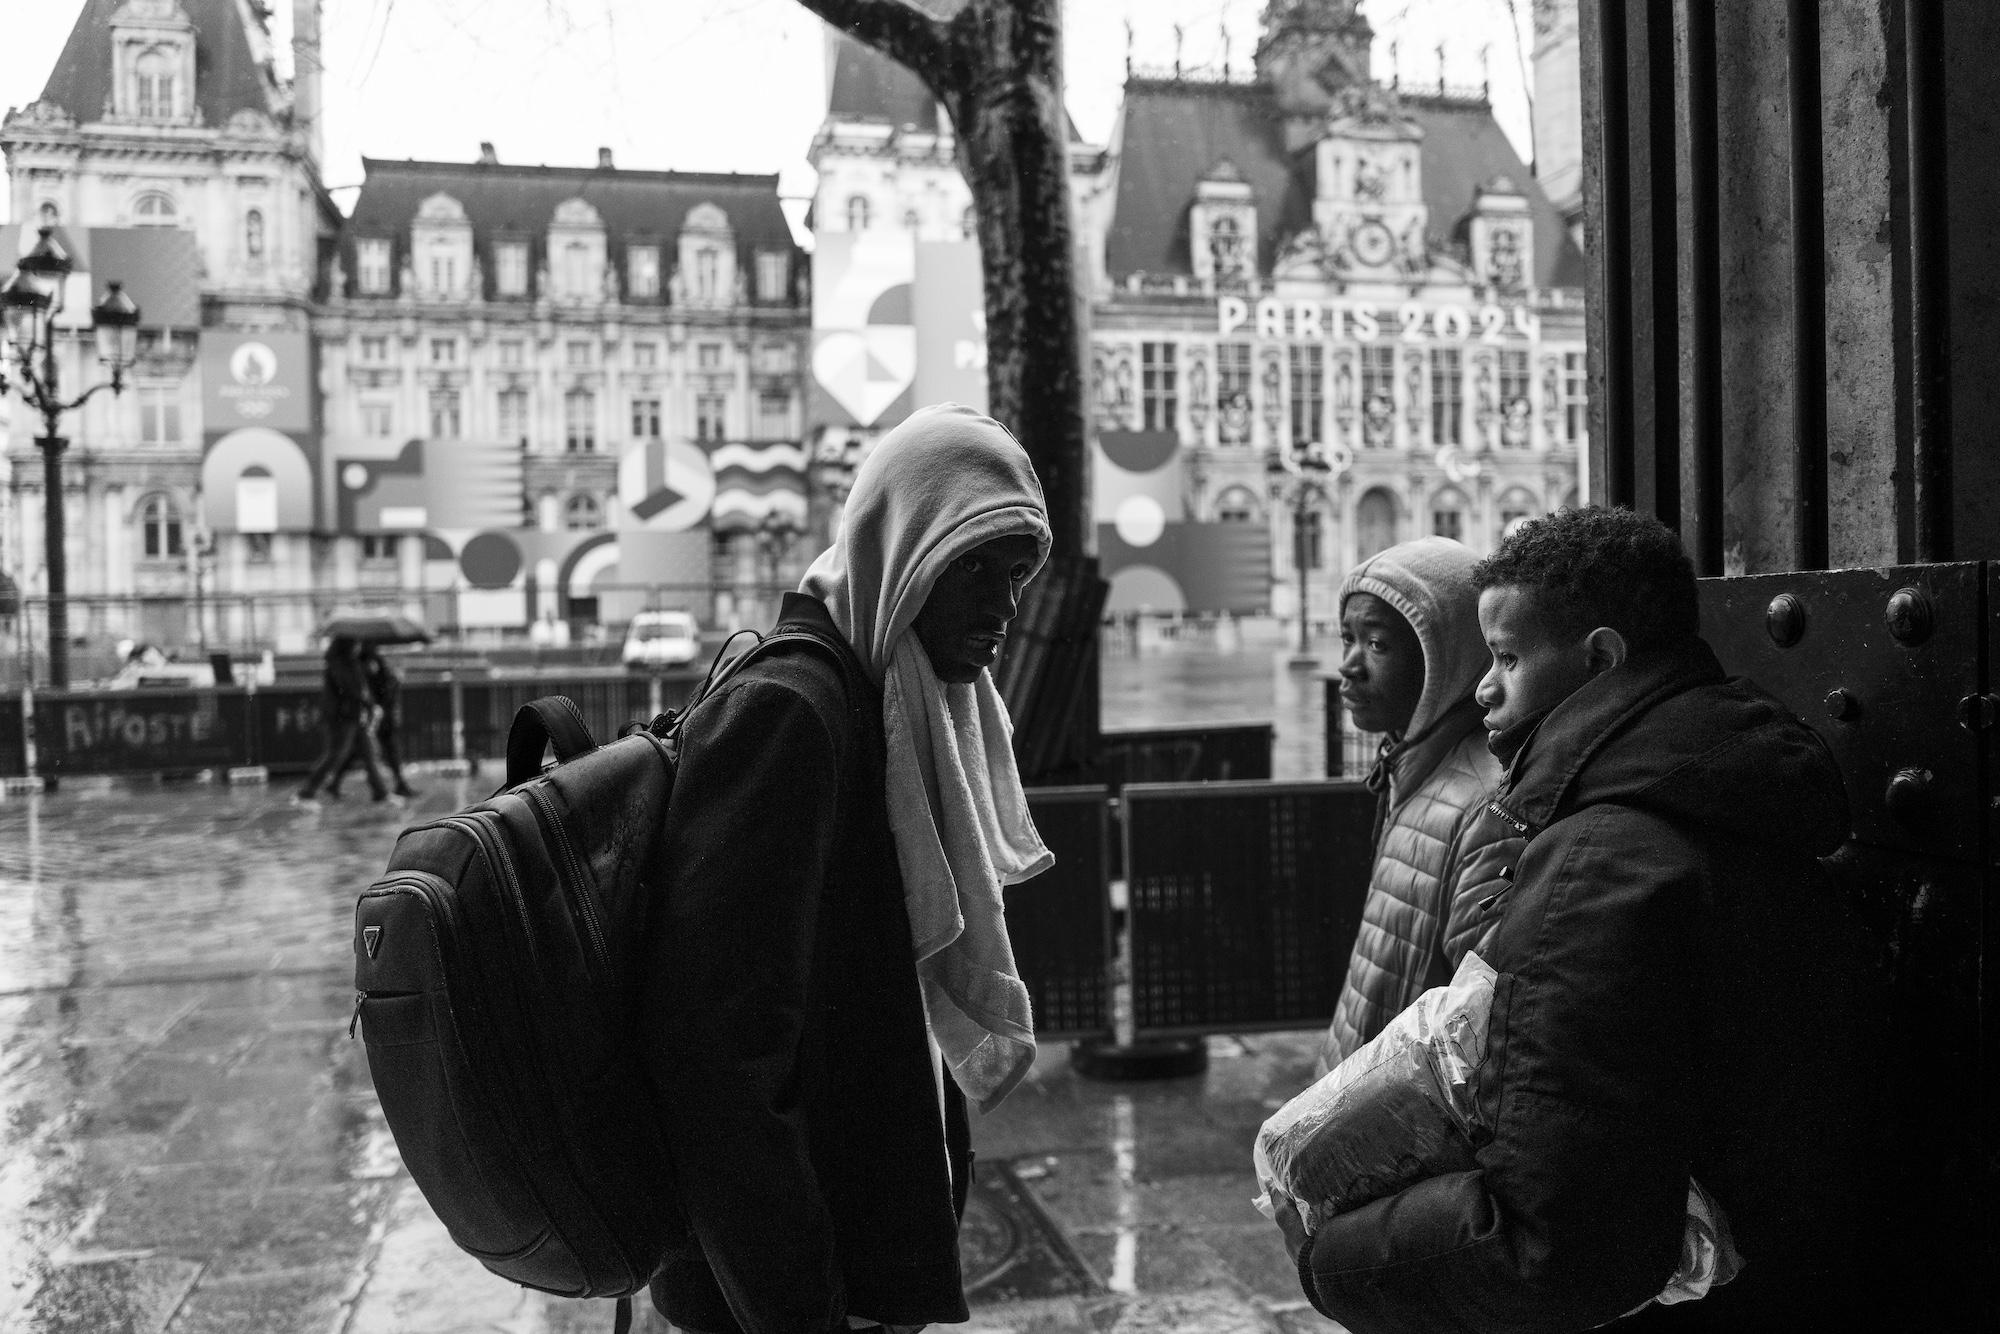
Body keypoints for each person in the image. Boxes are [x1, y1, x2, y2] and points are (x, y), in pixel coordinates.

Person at [1275, 506, 1883, 1331]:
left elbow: (1557, 1239)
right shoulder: (1723, 792)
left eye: (1507, 658)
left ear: (1600, 659)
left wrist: (1333, 1260)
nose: (1485, 687)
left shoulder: (1596, 860)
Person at [643, 404, 1053, 1334]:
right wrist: (802, 1309)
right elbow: (716, 1056)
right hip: (784, 1292)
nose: (1004, 607)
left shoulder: (890, 699)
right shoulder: (794, 712)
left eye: (1016, 572)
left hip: (849, 1256)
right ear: (901, 548)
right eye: (973, 566)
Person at [1317, 536, 1516, 1076]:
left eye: (1377, 644)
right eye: (1347, 639)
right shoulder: (1417, 769)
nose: (1348, 666)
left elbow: (1481, 1033)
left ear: (1446, 659)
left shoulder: (1485, 806)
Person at [295, 637, 390, 803]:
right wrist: (369, 704)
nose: (358, 647)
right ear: (347, 645)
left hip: (354, 716)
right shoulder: (338, 664)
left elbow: (361, 688)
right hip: (342, 718)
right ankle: (306, 792)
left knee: (368, 754)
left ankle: (380, 792)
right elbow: (350, 689)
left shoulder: (353, 663)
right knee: (334, 755)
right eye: (356, 643)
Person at [329, 644, 417, 799]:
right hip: (370, 715)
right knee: (366, 752)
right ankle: (388, 788)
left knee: (367, 752)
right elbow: (365, 690)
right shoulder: (360, 662)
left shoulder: (367, 660)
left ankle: (389, 787)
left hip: (374, 714)